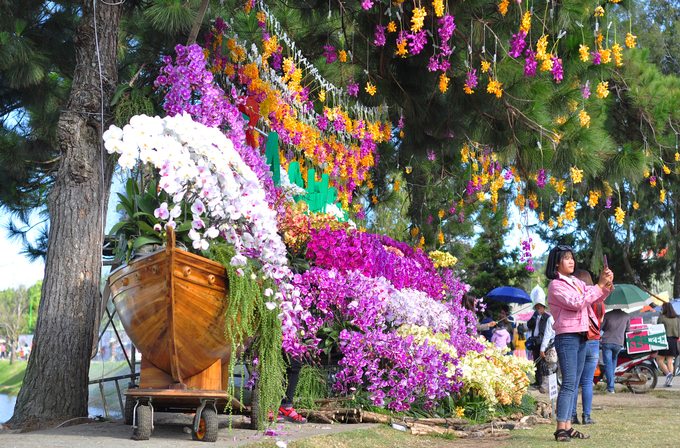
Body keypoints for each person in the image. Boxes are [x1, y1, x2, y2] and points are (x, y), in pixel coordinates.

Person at [545, 245, 613, 442]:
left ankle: (568, 426)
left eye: (572, 258)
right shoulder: (556, 285)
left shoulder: (576, 282)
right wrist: (599, 285)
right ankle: (560, 429)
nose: (571, 261)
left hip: (582, 335)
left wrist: (606, 284)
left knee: (574, 384)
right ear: (557, 263)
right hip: (567, 336)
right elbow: (577, 302)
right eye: (566, 258)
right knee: (568, 383)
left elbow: (595, 296)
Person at [570, 269, 604, 425]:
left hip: (580, 339)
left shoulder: (579, 297)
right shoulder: (599, 300)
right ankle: (587, 416)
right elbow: (600, 320)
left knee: (574, 381)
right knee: (588, 381)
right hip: (594, 341)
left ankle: (572, 415)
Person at [600, 307, 631, 394]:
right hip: (619, 343)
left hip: (607, 342)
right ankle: (611, 379)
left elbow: (601, 327)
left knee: (608, 364)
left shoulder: (607, 315)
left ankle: (610, 387)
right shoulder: (626, 316)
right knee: (613, 361)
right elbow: (628, 330)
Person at [527, 295, 553, 393]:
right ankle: (537, 381)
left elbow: (547, 332)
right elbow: (528, 325)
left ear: (543, 307)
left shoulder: (547, 317)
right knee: (536, 361)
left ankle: (542, 382)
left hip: (543, 342)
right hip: (535, 342)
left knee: (543, 363)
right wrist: (534, 318)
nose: (538, 308)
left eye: (540, 306)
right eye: (537, 306)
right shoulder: (534, 317)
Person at [655, 302, 679, 387]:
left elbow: (657, 328)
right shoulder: (676, 318)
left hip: (664, 340)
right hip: (674, 341)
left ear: (665, 309)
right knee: (669, 362)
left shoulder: (662, 317)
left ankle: (668, 374)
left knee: (660, 360)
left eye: (662, 308)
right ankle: (670, 381)